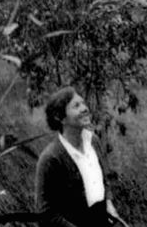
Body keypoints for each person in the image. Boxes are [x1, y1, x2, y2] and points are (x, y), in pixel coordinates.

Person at [35, 86, 125, 227]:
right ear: (60, 117)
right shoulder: (51, 158)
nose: (85, 109)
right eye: (76, 106)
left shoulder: (93, 141)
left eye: (83, 103)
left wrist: (108, 203)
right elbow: (46, 214)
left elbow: (104, 179)